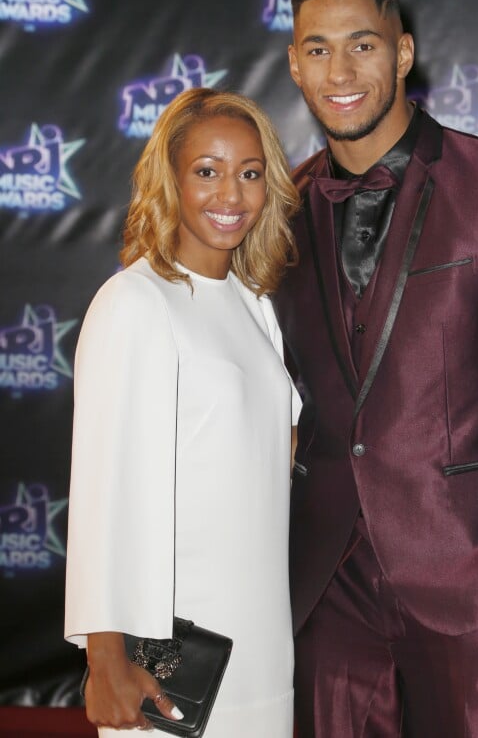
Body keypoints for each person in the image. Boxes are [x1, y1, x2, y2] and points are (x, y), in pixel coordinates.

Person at [272, 0, 478, 737]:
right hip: (326, 593)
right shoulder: (279, 211)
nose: (340, 69)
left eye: (362, 44)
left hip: (475, 585)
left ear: (403, 52)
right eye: (317, 49)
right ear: (295, 67)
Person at [64, 87, 301, 738]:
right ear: (169, 178)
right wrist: (103, 655)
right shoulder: (135, 302)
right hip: (173, 660)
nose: (232, 195)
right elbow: (101, 489)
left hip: (263, 649)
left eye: (249, 173)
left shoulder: (255, 306)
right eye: (207, 171)